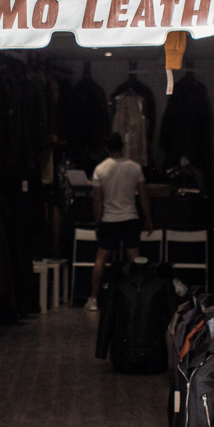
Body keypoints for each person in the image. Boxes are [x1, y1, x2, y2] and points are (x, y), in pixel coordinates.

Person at [87, 132, 153, 311]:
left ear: (107, 148)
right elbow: (143, 196)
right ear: (122, 147)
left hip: (109, 218)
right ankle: (138, 296)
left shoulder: (100, 169)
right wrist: (148, 218)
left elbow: (97, 199)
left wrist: (98, 222)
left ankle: (93, 298)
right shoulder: (135, 168)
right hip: (130, 217)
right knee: (134, 258)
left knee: (101, 258)